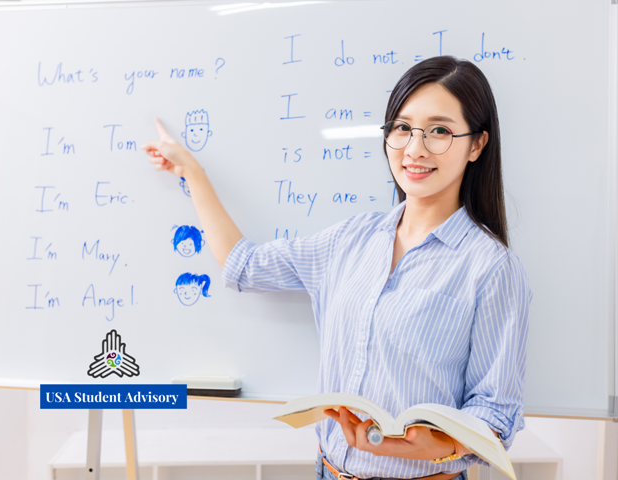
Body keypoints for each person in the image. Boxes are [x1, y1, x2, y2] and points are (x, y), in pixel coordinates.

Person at [140, 56, 532, 480]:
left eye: (439, 131)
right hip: (328, 471)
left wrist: (436, 443)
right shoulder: (350, 241)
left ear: (476, 145)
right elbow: (244, 265)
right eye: (402, 128)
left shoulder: (491, 267)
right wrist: (191, 171)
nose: (415, 149)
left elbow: (494, 413)